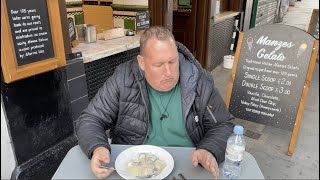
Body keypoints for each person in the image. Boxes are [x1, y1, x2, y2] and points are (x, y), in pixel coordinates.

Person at [75, 26, 235, 180]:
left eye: (173, 62)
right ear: (142, 63)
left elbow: (223, 125)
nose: (168, 72)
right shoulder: (123, 79)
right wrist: (97, 147)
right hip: (133, 168)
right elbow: (91, 119)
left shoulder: (199, 81)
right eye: (158, 65)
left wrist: (209, 150)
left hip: (189, 166)